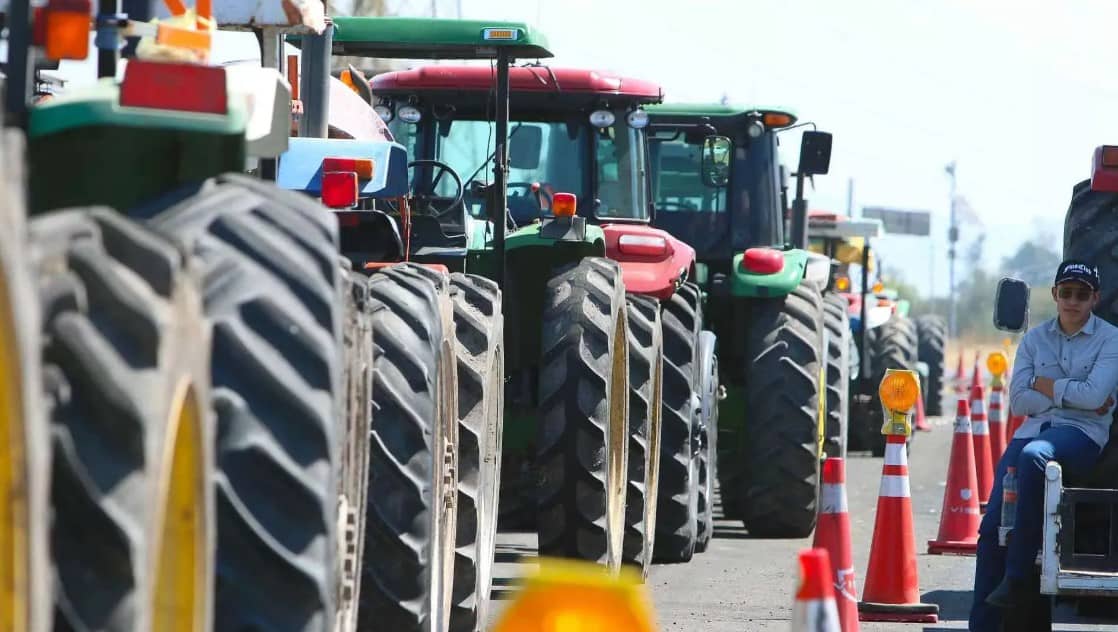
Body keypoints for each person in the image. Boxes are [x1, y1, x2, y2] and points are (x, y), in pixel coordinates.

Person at [970, 260, 1118, 631]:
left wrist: (1046, 384)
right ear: (1054, 295)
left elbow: (1098, 395)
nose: (1072, 301)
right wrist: (1075, 393)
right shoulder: (1034, 339)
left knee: (1036, 456)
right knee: (989, 532)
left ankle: (1018, 577)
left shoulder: (1111, 339)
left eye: (1081, 294)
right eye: (1065, 292)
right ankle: (983, 625)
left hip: (1082, 436)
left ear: (1094, 298)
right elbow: (1019, 402)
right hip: (1032, 430)